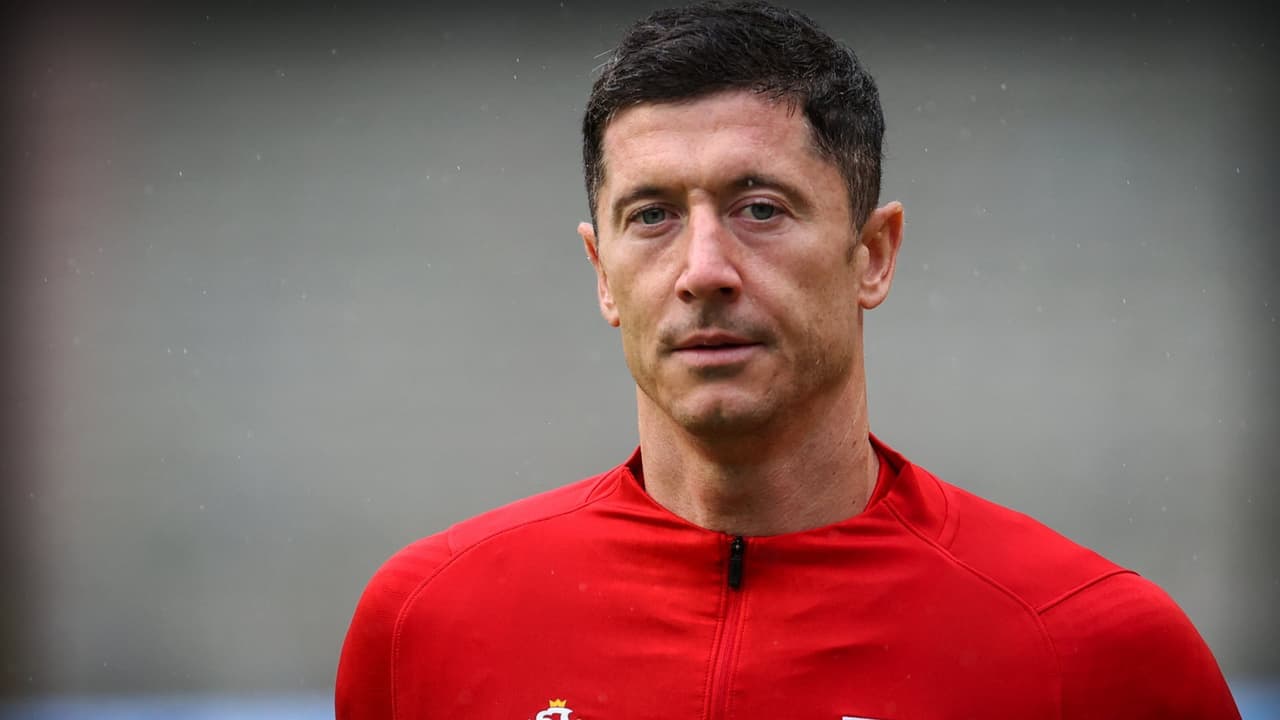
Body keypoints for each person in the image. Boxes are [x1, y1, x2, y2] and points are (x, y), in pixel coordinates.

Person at [336, 2, 1240, 717]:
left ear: (873, 254)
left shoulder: (1090, 645)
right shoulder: (425, 623)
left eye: (760, 208)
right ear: (601, 272)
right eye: (651, 215)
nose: (703, 270)